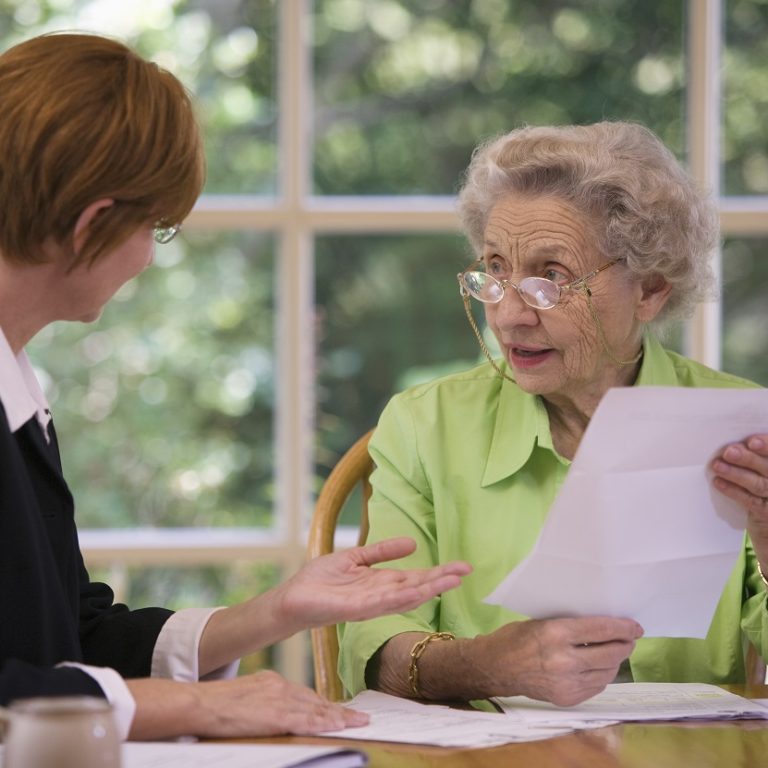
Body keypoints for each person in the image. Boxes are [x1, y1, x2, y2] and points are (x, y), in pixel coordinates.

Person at [0, 32, 472, 741]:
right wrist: (203, 707)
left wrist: (277, 611)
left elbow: (74, 638)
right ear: (92, 223)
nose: (146, 262)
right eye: (156, 228)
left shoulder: (18, 387)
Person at [338, 121, 768, 707]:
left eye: (550, 278)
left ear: (650, 288)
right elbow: (372, 648)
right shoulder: (425, 426)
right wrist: (484, 665)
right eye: (494, 269)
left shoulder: (740, 429)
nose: (510, 315)